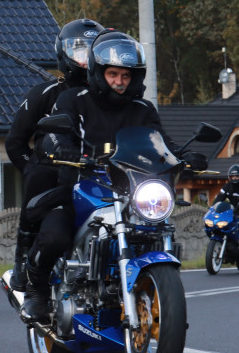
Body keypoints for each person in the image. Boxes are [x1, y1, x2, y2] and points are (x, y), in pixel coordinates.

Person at [18, 29, 206, 321]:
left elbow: (160, 142)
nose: (119, 82)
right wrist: (65, 149)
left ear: (135, 77)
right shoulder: (73, 99)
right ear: (99, 72)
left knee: (156, 229)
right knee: (54, 235)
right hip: (82, 187)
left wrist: (183, 156)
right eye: (113, 74)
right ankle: (36, 292)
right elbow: (53, 135)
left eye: (126, 76)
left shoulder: (143, 108)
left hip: (129, 189)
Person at [4, 18, 103, 292]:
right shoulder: (44, 94)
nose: (85, 57)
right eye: (79, 49)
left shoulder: (108, 98)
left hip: (96, 175)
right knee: (39, 175)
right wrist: (33, 167)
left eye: (93, 49)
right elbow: (15, 143)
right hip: (54, 173)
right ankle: (24, 259)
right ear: (63, 52)